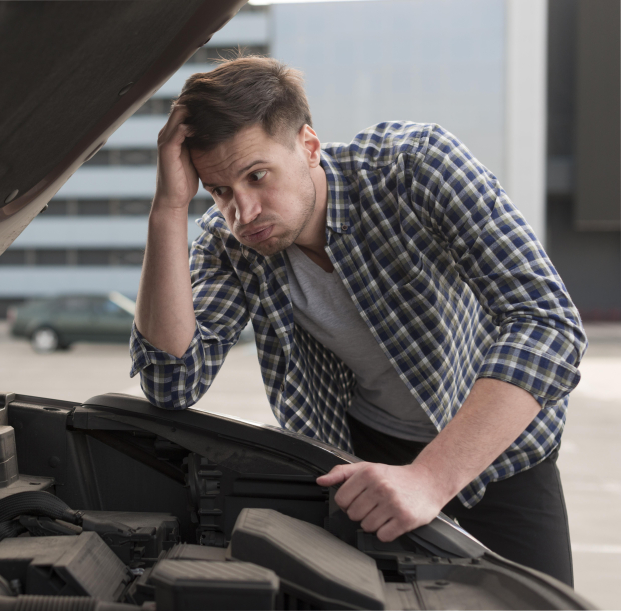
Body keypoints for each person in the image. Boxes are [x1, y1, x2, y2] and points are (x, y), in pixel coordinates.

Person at [128, 56, 586, 586]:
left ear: (309, 146)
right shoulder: (228, 244)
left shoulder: (416, 165)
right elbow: (170, 381)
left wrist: (431, 478)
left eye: (257, 176)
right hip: (364, 452)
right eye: (220, 190)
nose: (243, 213)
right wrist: (168, 207)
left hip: (496, 445)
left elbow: (547, 322)